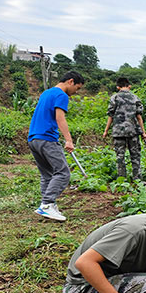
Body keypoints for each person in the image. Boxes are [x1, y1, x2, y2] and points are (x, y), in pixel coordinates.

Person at [27, 71, 84, 222]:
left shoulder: (47, 93)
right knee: (63, 172)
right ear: (71, 81)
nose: (75, 92)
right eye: (77, 88)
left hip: (34, 138)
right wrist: (69, 140)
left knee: (47, 174)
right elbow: (60, 118)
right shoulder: (61, 95)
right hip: (47, 138)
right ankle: (47, 204)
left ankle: (47, 206)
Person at [102, 77, 146, 182]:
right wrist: (143, 132)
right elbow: (139, 117)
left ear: (118, 87)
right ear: (129, 86)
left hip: (118, 132)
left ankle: (122, 179)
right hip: (133, 131)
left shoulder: (114, 98)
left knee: (120, 156)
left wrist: (106, 130)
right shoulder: (135, 98)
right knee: (135, 155)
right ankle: (137, 179)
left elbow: (110, 116)